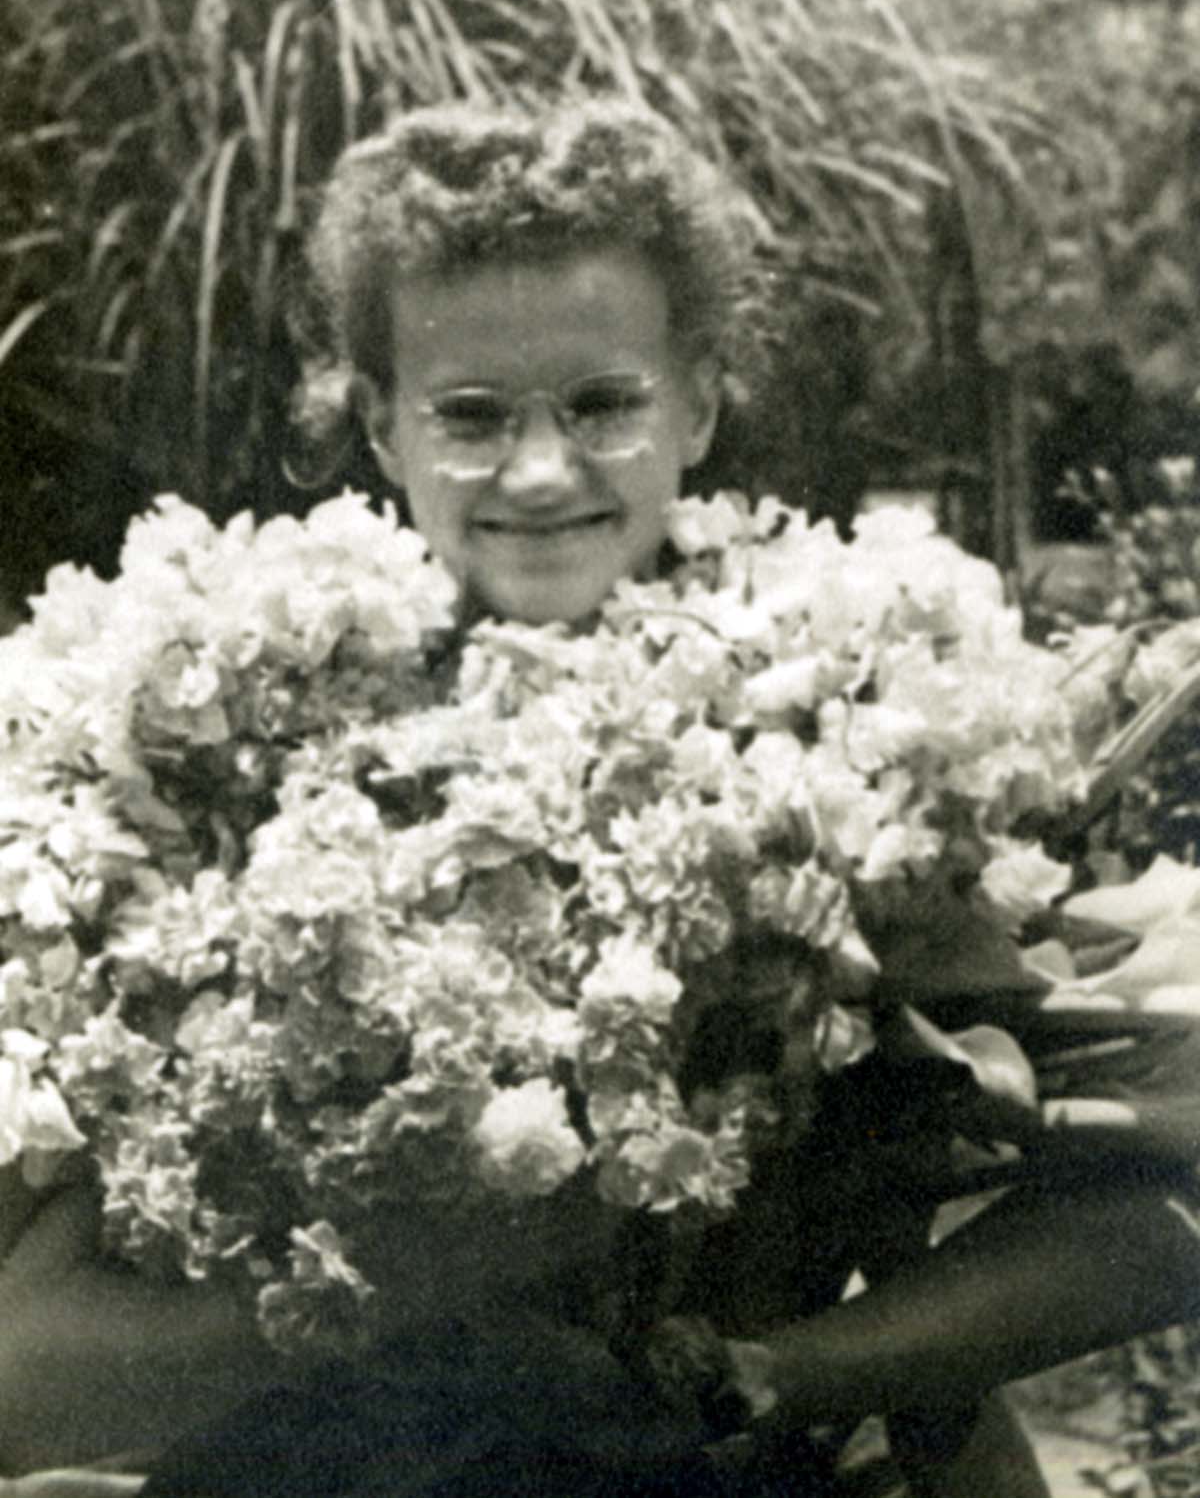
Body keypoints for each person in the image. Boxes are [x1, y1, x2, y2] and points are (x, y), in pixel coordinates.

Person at [1, 97, 1198, 1498]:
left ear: (698, 404)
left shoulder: (866, 715)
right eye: (470, 415)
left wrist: (786, 1372)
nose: (540, 470)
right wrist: (419, 1279)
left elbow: (1160, 1200)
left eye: (603, 405)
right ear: (377, 424)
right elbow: (21, 1376)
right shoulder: (196, 744)